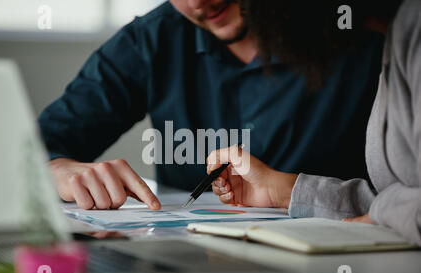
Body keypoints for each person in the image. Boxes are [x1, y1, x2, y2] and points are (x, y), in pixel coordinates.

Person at [39, 0, 383, 211]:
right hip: (194, 265)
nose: (197, 3)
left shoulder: (362, 28)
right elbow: (35, 145)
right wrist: (57, 169)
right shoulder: (153, 40)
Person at [207, 0, 421, 245]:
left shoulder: (414, 23)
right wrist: (285, 191)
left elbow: (387, 208)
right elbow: (390, 200)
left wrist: (383, 213)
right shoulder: (395, 35)